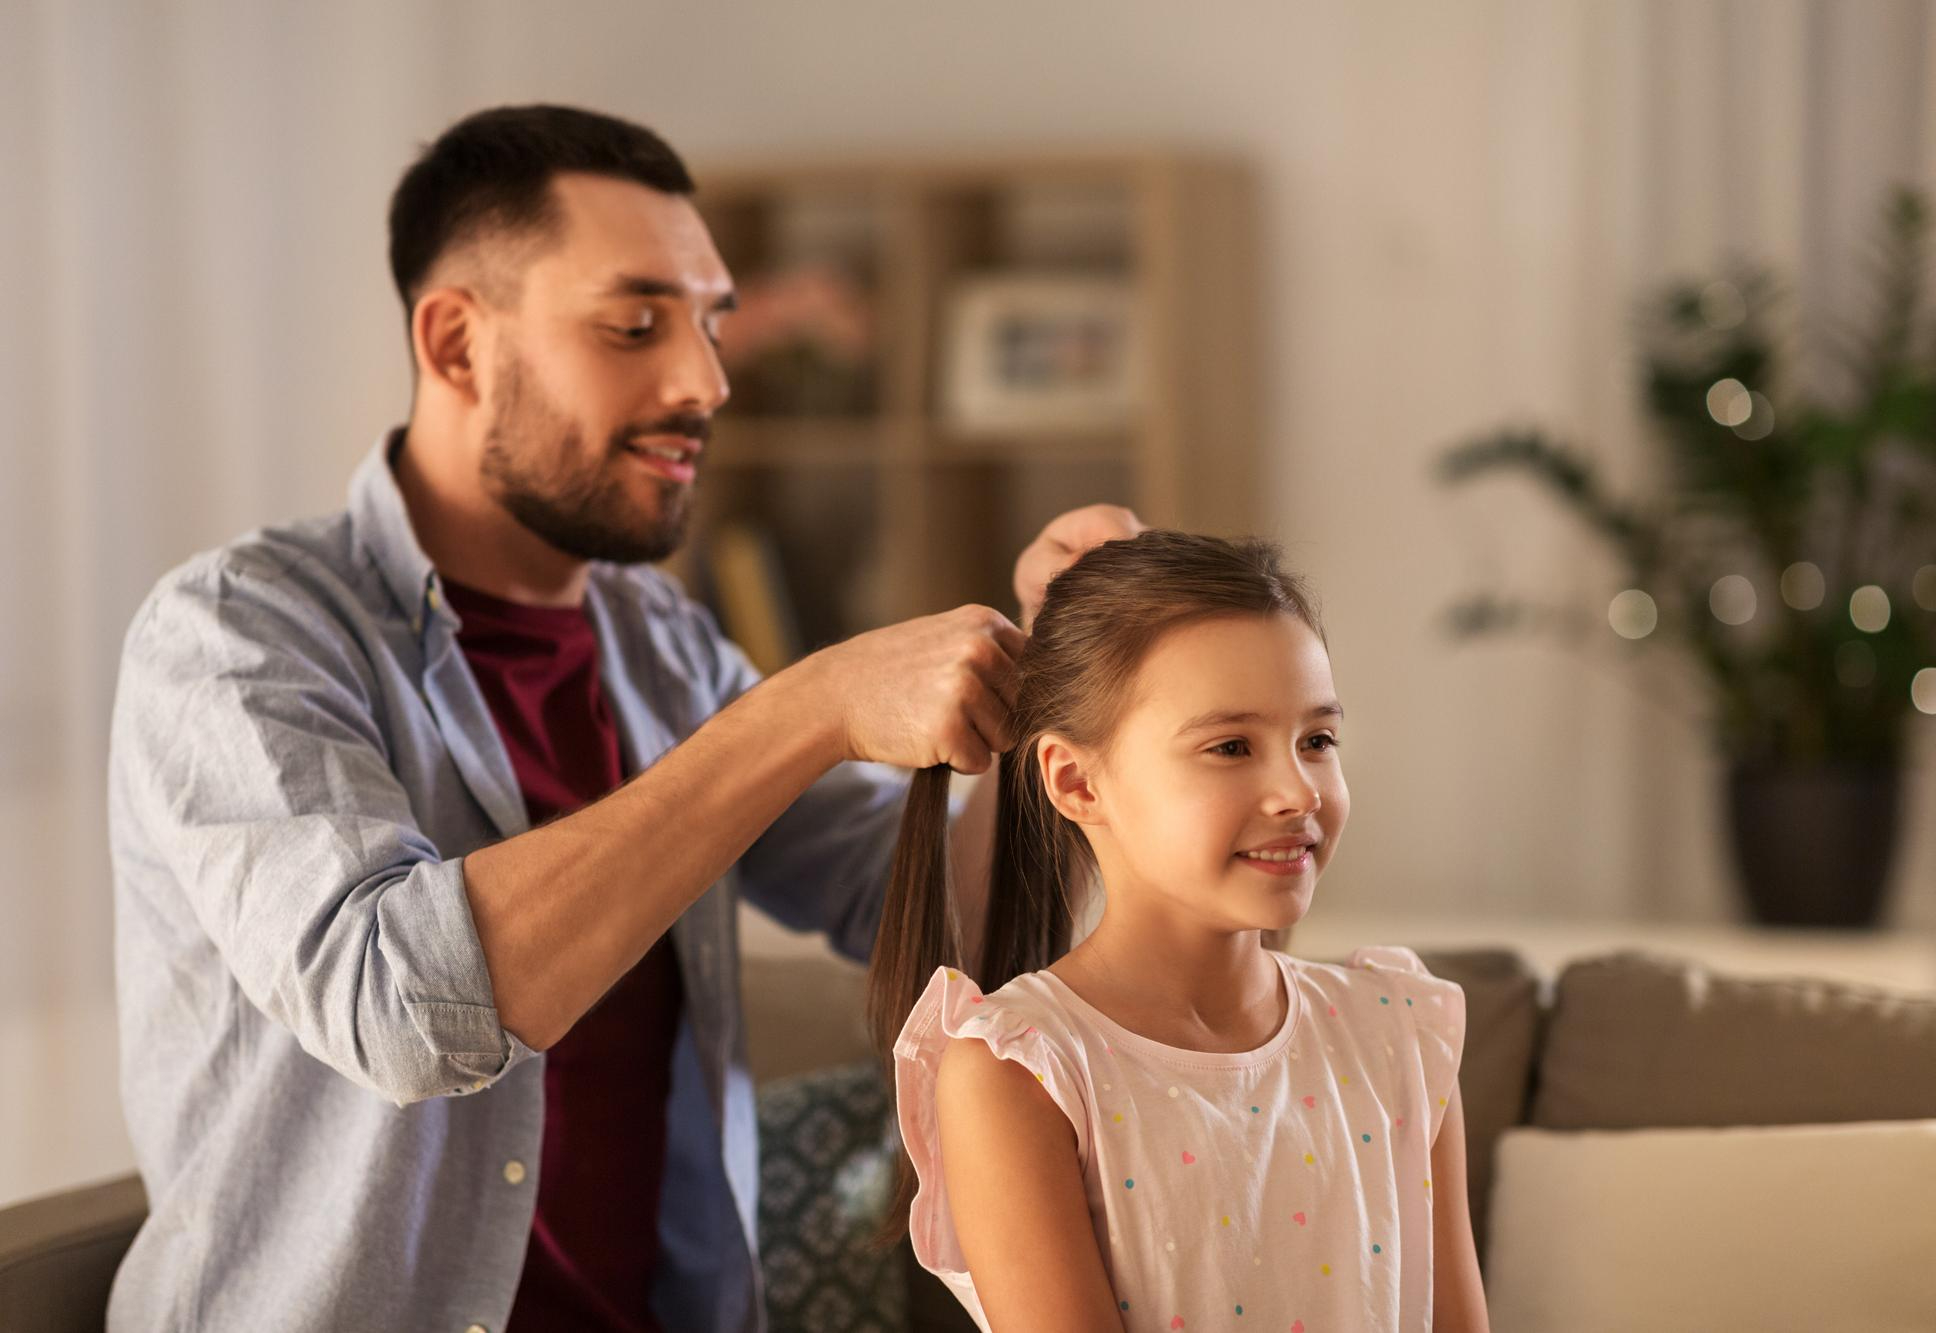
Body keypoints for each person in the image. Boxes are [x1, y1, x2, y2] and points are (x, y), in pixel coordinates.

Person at [104, 103, 1139, 1332]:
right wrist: (809, 707)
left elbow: (926, 920)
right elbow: (400, 1006)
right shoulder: (235, 634)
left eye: (710, 324)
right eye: (635, 324)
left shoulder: (663, 648)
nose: (704, 380)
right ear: (454, 344)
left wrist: (1057, 690)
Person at [874, 530, 1491, 1332]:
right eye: (1231, 746)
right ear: (1076, 780)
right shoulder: (1019, 1071)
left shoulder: (1401, 1033)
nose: (1297, 791)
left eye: (1318, 740)